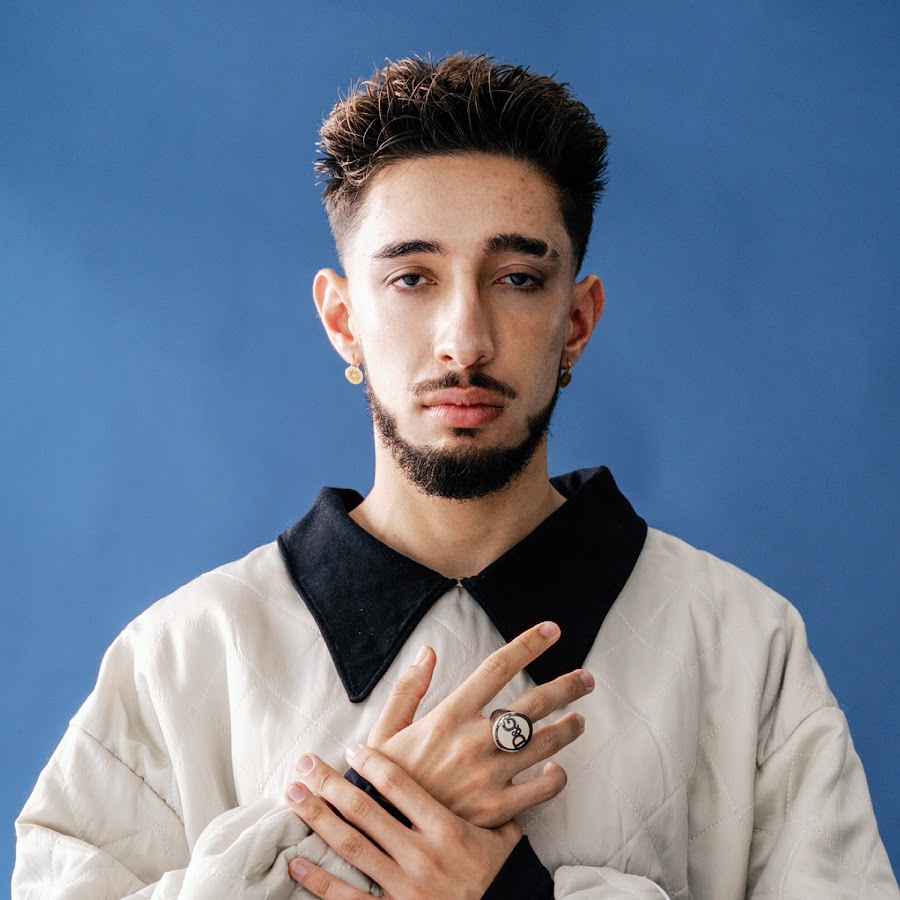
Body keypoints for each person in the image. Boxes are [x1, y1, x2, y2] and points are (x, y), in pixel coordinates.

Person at [12, 54, 897, 899]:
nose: (464, 341)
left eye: (517, 278)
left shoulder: (745, 643)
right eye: (411, 278)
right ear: (343, 320)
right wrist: (369, 816)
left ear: (577, 321)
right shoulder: (181, 652)